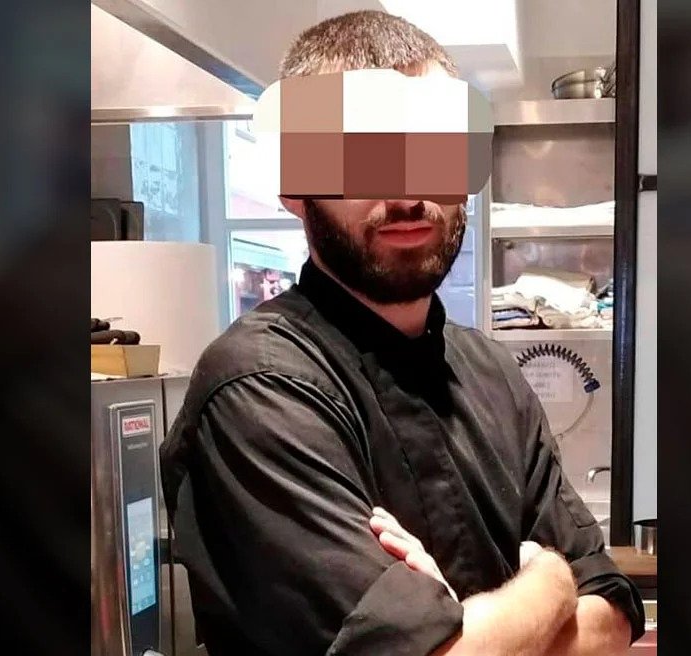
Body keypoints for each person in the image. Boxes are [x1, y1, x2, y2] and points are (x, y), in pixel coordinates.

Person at [159, 10, 644, 656]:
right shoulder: (258, 388)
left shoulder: (493, 374)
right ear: (294, 185)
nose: (408, 190)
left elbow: (612, 616)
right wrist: (550, 583)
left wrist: (480, 633)